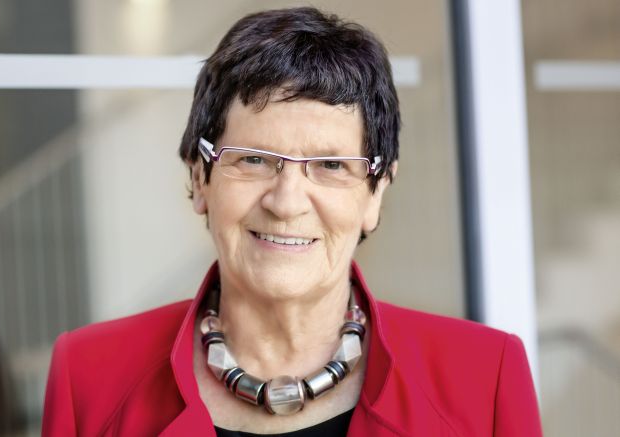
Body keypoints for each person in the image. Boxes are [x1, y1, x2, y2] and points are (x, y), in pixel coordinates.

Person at [42, 7, 542, 436]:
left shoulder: (484, 379)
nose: (286, 202)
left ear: (376, 193)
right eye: (253, 159)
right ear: (199, 177)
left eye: (331, 166)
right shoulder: (88, 377)